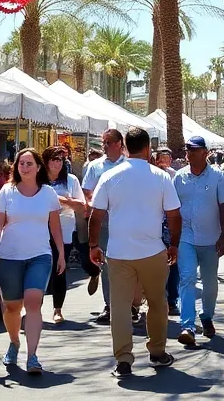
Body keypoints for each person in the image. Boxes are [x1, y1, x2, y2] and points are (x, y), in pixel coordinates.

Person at [88, 126, 181, 378]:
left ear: (126, 147)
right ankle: (158, 351)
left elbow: (95, 215)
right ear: (149, 148)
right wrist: (174, 244)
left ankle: (124, 359)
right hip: (153, 251)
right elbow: (174, 215)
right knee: (157, 303)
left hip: (118, 252)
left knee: (119, 307)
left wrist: (93, 245)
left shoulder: (110, 176)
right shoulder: (161, 177)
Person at [0, 148, 64, 375]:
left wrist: (60, 253)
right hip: (10, 256)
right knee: (12, 307)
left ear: (38, 167)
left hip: (40, 256)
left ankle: (32, 356)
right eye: (21, 163)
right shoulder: (6, 191)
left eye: (29, 163)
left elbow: (55, 227)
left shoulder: (48, 193)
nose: (24, 167)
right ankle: (14, 342)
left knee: (33, 303)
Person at [172, 136, 224, 346]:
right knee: (187, 278)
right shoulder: (179, 177)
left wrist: (223, 235)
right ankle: (187, 325)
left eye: (194, 151)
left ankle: (206, 316)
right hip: (186, 237)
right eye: (187, 150)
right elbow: (171, 208)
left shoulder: (218, 176)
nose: (189, 154)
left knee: (209, 284)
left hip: (210, 238)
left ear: (205, 153)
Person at [81, 128, 127, 322]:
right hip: (105, 223)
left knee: (127, 264)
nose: (104, 146)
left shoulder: (130, 165)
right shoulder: (95, 166)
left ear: (119, 144)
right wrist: (100, 203)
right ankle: (109, 305)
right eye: (103, 142)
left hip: (128, 223)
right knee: (107, 265)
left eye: (108, 142)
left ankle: (130, 304)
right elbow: (87, 191)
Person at [41, 145, 84, 325]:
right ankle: (33, 309)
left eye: (61, 160)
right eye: (54, 159)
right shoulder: (37, 180)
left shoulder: (71, 180)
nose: (57, 163)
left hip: (64, 231)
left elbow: (81, 205)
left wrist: (61, 200)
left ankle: (57, 309)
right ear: (46, 161)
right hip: (40, 231)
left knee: (59, 270)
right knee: (40, 271)